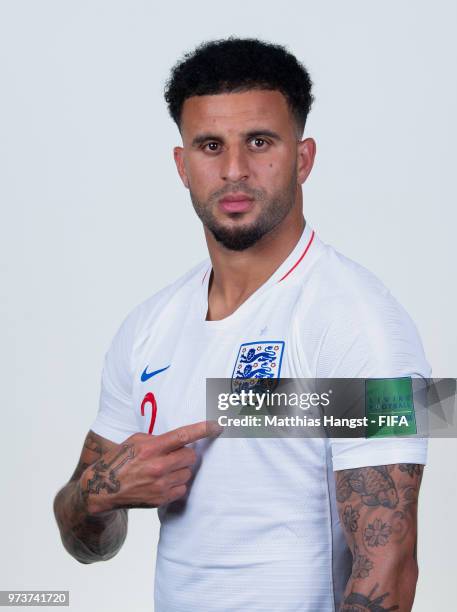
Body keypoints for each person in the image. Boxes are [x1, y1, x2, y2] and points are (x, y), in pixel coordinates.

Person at [54, 38, 429, 611]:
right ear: (182, 166)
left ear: (303, 158)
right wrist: (95, 497)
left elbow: (391, 571)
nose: (234, 170)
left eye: (259, 142)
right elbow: (83, 540)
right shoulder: (148, 328)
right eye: (210, 145)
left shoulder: (361, 323)